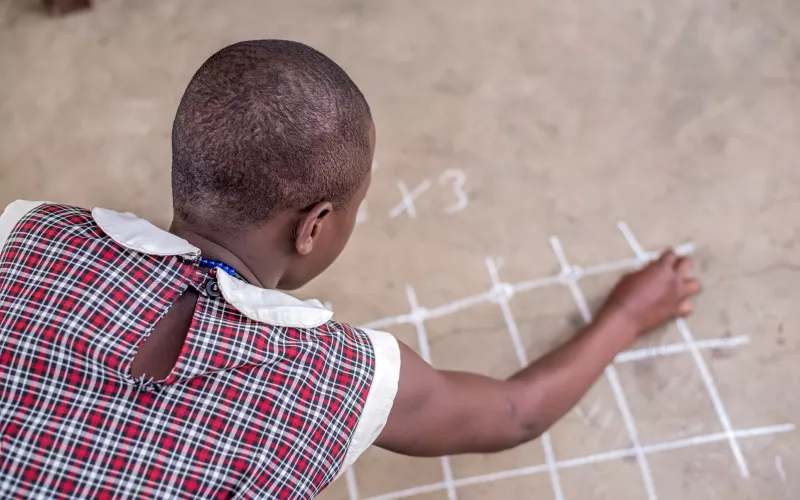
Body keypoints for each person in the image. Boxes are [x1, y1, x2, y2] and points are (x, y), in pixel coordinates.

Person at [0, 40, 700, 499]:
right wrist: (629, 315)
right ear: (314, 226)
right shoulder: (335, 377)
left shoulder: (26, 235)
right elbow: (516, 415)